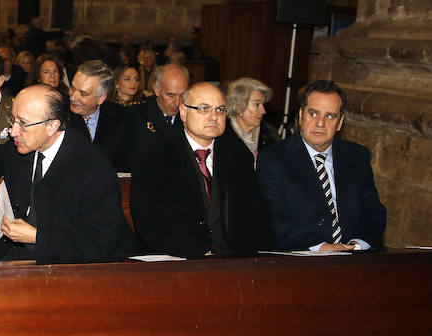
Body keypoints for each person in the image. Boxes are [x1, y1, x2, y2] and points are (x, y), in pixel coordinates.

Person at [0, 84, 136, 261]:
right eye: (13, 120)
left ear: (52, 126)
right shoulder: (25, 145)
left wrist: (37, 237)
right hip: (10, 256)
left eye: (23, 124)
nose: (13, 131)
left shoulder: (92, 168)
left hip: (69, 267)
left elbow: (98, 243)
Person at [129, 82, 271, 258]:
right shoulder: (155, 155)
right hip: (176, 259)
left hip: (231, 260)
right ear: (183, 111)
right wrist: (197, 254)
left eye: (220, 110)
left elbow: (255, 213)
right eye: (204, 109)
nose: (214, 116)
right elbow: (149, 220)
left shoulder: (238, 155)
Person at [256, 80, 386, 252]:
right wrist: (320, 247)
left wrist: (357, 245)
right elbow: (273, 220)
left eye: (330, 116)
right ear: (301, 116)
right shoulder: (273, 159)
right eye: (313, 114)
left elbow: (374, 212)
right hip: (301, 259)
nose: (320, 123)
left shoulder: (357, 156)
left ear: (340, 123)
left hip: (356, 258)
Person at [66, 60, 145, 172]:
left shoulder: (122, 117)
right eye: (73, 88)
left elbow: (128, 163)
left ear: (101, 98)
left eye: (83, 93)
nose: (73, 97)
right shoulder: (58, 113)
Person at [224, 77, 280, 159]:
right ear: (239, 105)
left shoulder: (269, 135)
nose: (263, 111)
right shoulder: (222, 135)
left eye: (263, 104)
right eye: (257, 105)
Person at [133, 64, 189, 134]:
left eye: (182, 95)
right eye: (171, 95)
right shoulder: (137, 116)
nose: (177, 103)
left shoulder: (191, 117)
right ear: (156, 89)